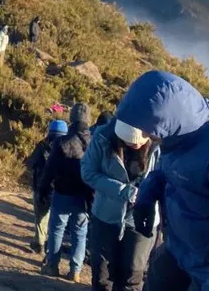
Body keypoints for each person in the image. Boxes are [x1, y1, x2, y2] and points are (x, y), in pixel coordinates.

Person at [116, 71, 209, 291]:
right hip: (176, 247)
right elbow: (164, 171)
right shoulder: (176, 135)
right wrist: (146, 198)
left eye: (148, 128)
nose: (146, 135)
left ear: (168, 117)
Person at [81, 117, 160, 291]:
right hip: (106, 215)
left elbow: (167, 180)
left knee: (133, 276)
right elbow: (88, 172)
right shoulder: (102, 138)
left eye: (141, 141)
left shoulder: (159, 143)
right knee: (102, 275)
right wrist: (123, 191)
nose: (137, 146)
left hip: (142, 220)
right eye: (131, 142)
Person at [38, 103, 93, 283]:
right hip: (85, 195)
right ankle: (75, 272)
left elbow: (50, 169)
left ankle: (52, 266)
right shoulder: (95, 142)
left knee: (56, 229)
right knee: (80, 232)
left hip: (62, 191)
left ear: (71, 118)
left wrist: (43, 189)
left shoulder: (62, 142)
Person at [27, 120, 68, 255]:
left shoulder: (42, 145)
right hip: (60, 189)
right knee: (56, 223)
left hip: (41, 187)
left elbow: (31, 163)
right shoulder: (69, 147)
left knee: (40, 217)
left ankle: (39, 244)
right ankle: (51, 249)